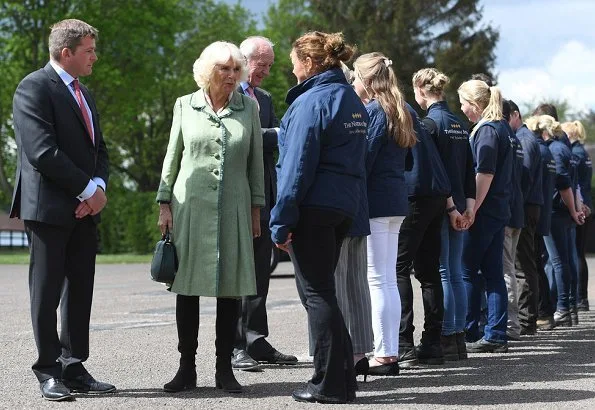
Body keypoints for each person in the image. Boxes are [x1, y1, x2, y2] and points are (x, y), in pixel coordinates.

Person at [10, 19, 112, 402]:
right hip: (49, 209)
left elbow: (99, 149)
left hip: (85, 209)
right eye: (88, 50)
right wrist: (87, 189)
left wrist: (98, 188)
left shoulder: (84, 93)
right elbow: (41, 152)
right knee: (47, 291)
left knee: (79, 291)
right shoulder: (33, 87)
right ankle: (49, 371)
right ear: (66, 52)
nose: (94, 57)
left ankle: (74, 366)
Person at [156, 41, 264, 394]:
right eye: (224, 69)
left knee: (230, 291)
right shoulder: (185, 105)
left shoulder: (250, 107)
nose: (232, 75)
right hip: (189, 207)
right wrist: (164, 203)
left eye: (236, 69)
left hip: (234, 206)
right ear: (207, 71)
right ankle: (186, 368)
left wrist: (255, 209)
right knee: (186, 289)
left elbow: (255, 165)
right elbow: (172, 156)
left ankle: (224, 371)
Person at [270, 31, 367, 403]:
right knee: (325, 293)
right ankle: (343, 381)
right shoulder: (349, 98)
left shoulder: (312, 101)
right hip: (343, 206)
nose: (290, 66)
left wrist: (281, 220)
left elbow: (296, 166)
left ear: (309, 63)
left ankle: (327, 384)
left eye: (294, 59)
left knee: (318, 296)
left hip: (313, 208)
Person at [232, 36, 297, 371]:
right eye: (263, 64)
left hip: (265, 196)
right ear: (244, 60)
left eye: (271, 65)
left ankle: (256, 340)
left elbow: (269, 148)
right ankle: (234, 344)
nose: (267, 71)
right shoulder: (226, 93)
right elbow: (241, 139)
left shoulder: (267, 99)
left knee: (261, 269)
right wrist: (279, 133)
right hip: (235, 196)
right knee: (236, 271)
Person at [351, 52, 416, 375]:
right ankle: (388, 351)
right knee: (387, 279)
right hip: (396, 200)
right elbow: (406, 161)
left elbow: (366, 159)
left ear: (365, 78)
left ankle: (385, 353)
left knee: (377, 279)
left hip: (376, 202)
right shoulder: (403, 110)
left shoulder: (376, 111)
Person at [413, 68, 475, 361]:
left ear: (421, 90)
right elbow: (468, 171)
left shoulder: (429, 124)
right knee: (456, 273)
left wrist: (450, 207)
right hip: (463, 205)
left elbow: (437, 173)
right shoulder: (459, 123)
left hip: (444, 207)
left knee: (444, 272)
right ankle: (458, 338)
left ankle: (448, 336)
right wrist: (469, 208)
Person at [457, 79, 513, 353]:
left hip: (485, 211)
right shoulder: (500, 128)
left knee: (468, 270)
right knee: (493, 273)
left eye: (464, 103)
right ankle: (496, 334)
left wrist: (472, 209)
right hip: (498, 209)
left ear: (476, 105)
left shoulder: (488, 131)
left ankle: (469, 331)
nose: (461, 108)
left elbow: (485, 174)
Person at [525, 116, 584, 327]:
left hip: (556, 212)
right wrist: (576, 208)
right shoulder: (564, 149)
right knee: (564, 261)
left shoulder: (555, 150)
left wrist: (573, 209)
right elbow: (573, 184)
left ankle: (562, 308)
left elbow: (564, 184)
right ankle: (568, 308)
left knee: (557, 262)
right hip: (563, 212)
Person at [505, 100, 544, 336]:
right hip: (528, 205)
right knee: (523, 264)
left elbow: (524, 177)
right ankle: (527, 318)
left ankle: (527, 318)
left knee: (523, 264)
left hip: (526, 207)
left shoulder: (524, 140)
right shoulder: (523, 138)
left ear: (516, 115)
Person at [501, 101, 526, 341]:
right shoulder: (515, 140)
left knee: (506, 269)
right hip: (516, 210)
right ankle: (511, 322)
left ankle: (511, 324)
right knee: (509, 269)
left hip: (506, 213)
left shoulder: (504, 137)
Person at [561, 120, 592, 312]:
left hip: (581, 206)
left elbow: (575, 184)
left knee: (576, 253)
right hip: (586, 204)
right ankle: (581, 298)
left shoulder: (575, 154)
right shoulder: (583, 153)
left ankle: (579, 298)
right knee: (579, 253)